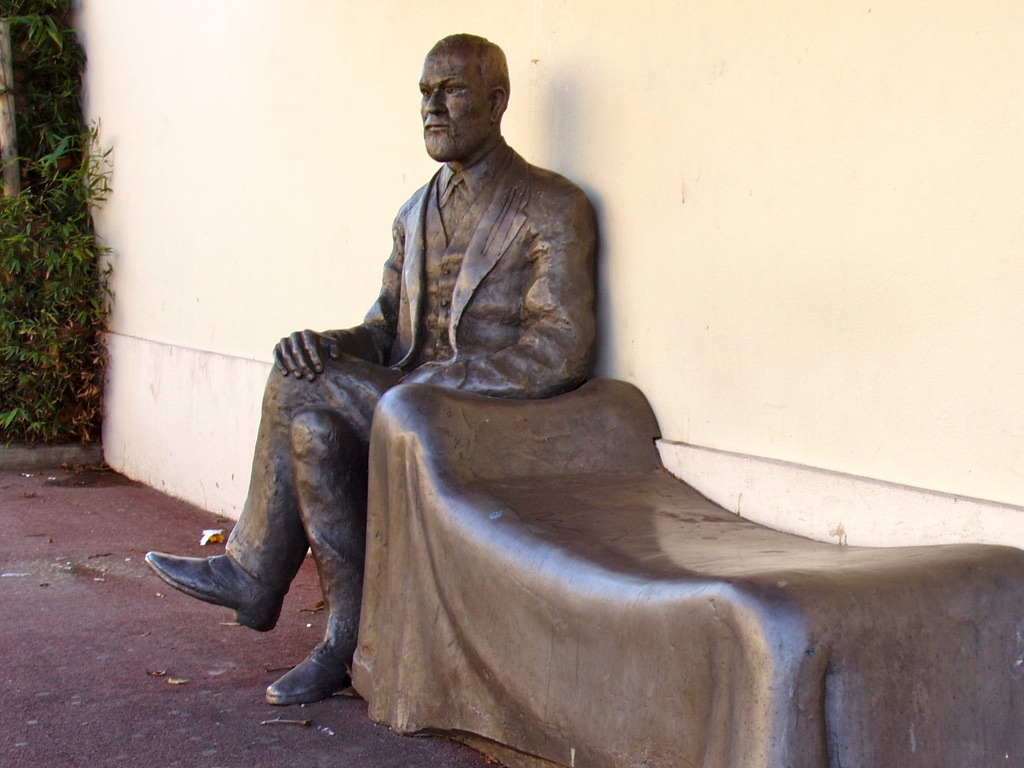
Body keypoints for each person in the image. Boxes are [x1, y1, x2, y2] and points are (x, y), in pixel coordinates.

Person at [146, 33, 596, 706]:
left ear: (497, 101)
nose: (432, 108)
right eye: (425, 93)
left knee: (297, 387)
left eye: (453, 91)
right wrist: (327, 345)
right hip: (401, 400)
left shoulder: (551, 204)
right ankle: (345, 643)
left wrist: (437, 382)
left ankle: (254, 573)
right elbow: (384, 330)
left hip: (483, 413)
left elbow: (561, 347)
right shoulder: (413, 213)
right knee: (313, 427)